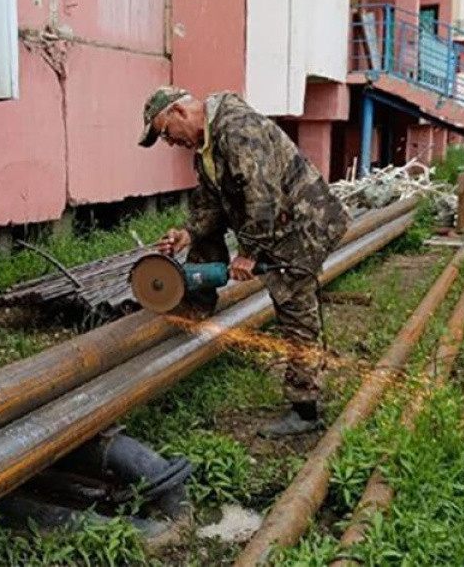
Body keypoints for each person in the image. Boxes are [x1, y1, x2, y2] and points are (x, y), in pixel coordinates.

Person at [138, 87, 350, 436]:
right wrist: (186, 234)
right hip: (278, 221)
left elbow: (262, 197)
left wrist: (248, 254)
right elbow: (209, 207)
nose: (169, 142)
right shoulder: (206, 149)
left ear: (178, 112)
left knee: (293, 305)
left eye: (164, 133)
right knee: (206, 241)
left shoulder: (237, 129)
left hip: (303, 224)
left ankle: (306, 409)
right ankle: (194, 307)